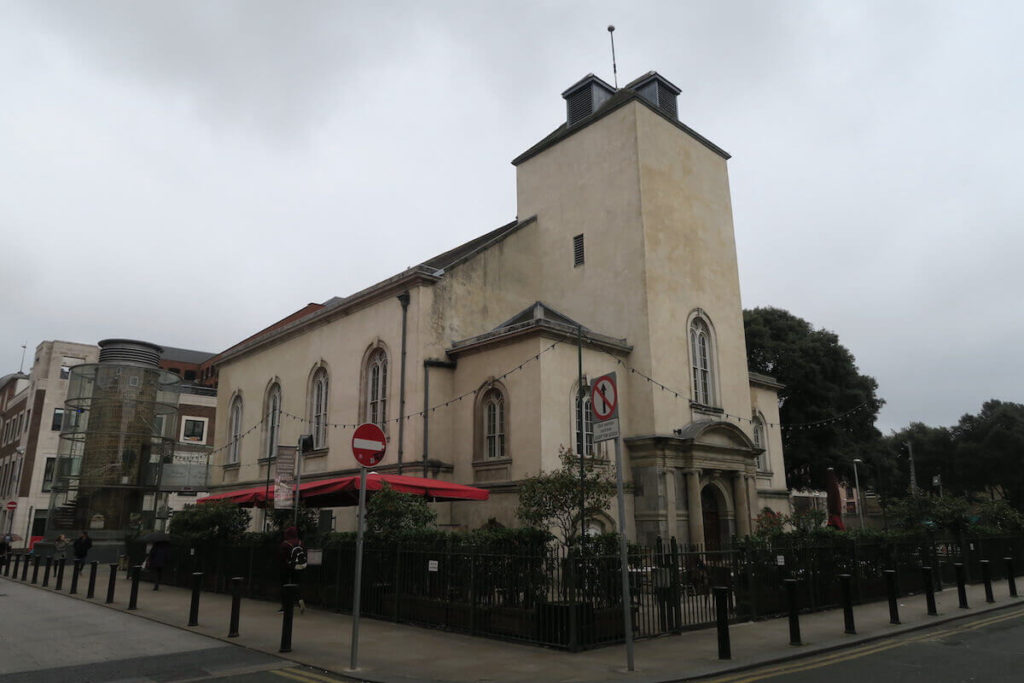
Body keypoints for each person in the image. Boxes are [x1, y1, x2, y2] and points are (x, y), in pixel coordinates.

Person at [278, 526, 306, 613]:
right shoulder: (301, 543)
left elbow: (282, 557)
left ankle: (284, 606)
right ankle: (300, 599)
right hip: (298, 567)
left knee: (285, 586)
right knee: (296, 584)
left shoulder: (285, 544)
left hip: (286, 568)